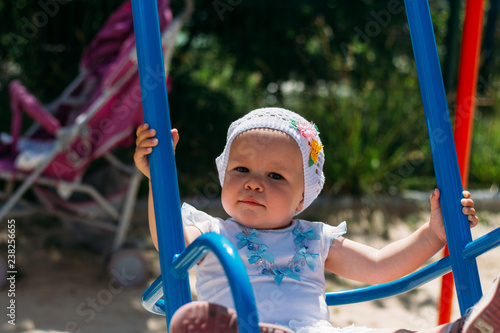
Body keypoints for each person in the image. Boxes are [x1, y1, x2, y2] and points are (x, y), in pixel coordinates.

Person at [134, 107, 499, 333]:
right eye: (241, 168)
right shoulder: (213, 232)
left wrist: (433, 235)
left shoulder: (314, 238)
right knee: (194, 321)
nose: (253, 182)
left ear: (302, 199)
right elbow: (168, 242)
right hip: (240, 326)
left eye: (275, 176)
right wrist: (157, 182)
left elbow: (379, 266)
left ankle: (460, 330)